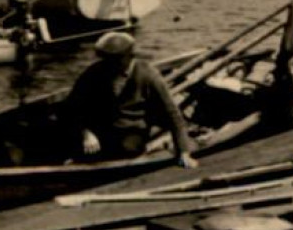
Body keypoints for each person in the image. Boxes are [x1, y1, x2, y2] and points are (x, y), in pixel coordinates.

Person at [65, 31, 196, 166]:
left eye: (115, 59)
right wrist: (86, 133)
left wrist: (183, 152)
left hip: (131, 130)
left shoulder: (148, 75)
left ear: (129, 56)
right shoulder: (95, 72)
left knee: (125, 148)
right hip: (101, 128)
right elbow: (71, 108)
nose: (110, 63)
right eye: (107, 58)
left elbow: (172, 113)